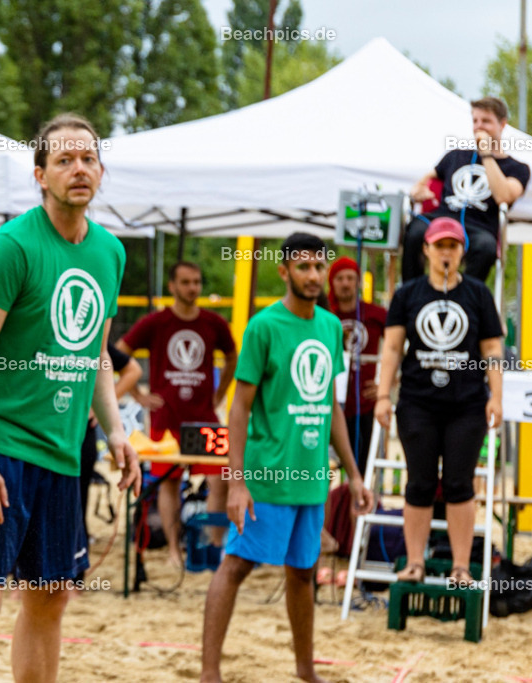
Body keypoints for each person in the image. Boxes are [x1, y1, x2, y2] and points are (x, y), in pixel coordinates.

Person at [0, 113, 141, 683]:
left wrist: (117, 432)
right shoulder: (11, 248)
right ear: (40, 174)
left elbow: (96, 355)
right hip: (0, 445)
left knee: (50, 598)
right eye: (64, 160)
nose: (79, 169)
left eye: (88, 159)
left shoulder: (110, 253)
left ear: (100, 170)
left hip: (63, 450)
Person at [200, 233, 372, 683]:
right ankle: (209, 673)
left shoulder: (331, 327)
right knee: (235, 564)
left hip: (312, 478)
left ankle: (305, 671)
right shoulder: (263, 327)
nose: (313, 275)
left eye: (319, 267)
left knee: (303, 573)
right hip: (266, 475)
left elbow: (331, 406)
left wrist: (353, 474)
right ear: (284, 271)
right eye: (303, 267)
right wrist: (237, 483)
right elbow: (237, 408)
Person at [376, 217, 502, 587]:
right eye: (440, 245)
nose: (446, 252)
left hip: (467, 403)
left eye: (453, 245)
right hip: (418, 402)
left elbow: (492, 348)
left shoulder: (478, 294)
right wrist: (383, 395)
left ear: (462, 252)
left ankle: (460, 566)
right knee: (419, 483)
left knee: (460, 483)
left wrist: (496, 395)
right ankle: (415, 561)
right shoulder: (407, 294)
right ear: (426, 250)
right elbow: (393, 348)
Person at [116, 261, 237, 566]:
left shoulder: (213, 322)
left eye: (196, 282)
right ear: (172, 286)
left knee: (220, 478)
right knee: (168, 483)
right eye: (185, 282)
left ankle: (212, 546)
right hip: (165, 420)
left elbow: (234, 355)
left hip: (203, 417)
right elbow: (118, 351)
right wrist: (138, 395)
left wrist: (220, 393)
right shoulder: (156, 322)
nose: (192, 288)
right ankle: (173, 551)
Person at [403, 96, 530, 283]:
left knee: (485, 249)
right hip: (443, 218)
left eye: (486, 121)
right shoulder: (456, 155)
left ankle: (462, 299)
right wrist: (417, 190)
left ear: (502, 125)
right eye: (475, 121)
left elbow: (504, 196)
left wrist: (486, 153)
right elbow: (427, 178)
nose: (479, 127)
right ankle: (412, 295)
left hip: (479, 227)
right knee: (414, 232)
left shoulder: (517, 168)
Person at [327, 256, 388, 475]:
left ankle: (358, 508)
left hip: (365, 403)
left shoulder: (376, 315)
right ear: (332, 282)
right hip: (328, 402)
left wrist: (386, 386)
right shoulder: (322, 313)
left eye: (350, 278)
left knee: (362, 469)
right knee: (326, 469)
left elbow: (399, 348)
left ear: (359, 281)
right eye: (340, 278)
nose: (345, 283)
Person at [79, 342, 141, 540]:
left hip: (79, 432)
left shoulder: (88, 336)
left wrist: (99, 406)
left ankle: (79, 543)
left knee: (75, 503)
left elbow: (132, 369)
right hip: (37, 435)